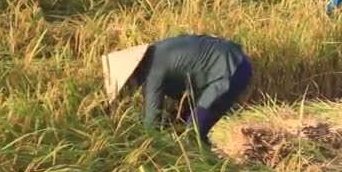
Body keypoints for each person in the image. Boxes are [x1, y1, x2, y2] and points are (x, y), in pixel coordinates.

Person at [102, 34, 253, 146]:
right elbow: (186, 94)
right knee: (190, 127)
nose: (130, 89)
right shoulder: (158, 51)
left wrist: (140, 148)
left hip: (228, 71)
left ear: (131, 74)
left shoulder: (151, 71)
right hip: (235, 63)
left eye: (127, 85)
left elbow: (151, 124)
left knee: (192, 134)